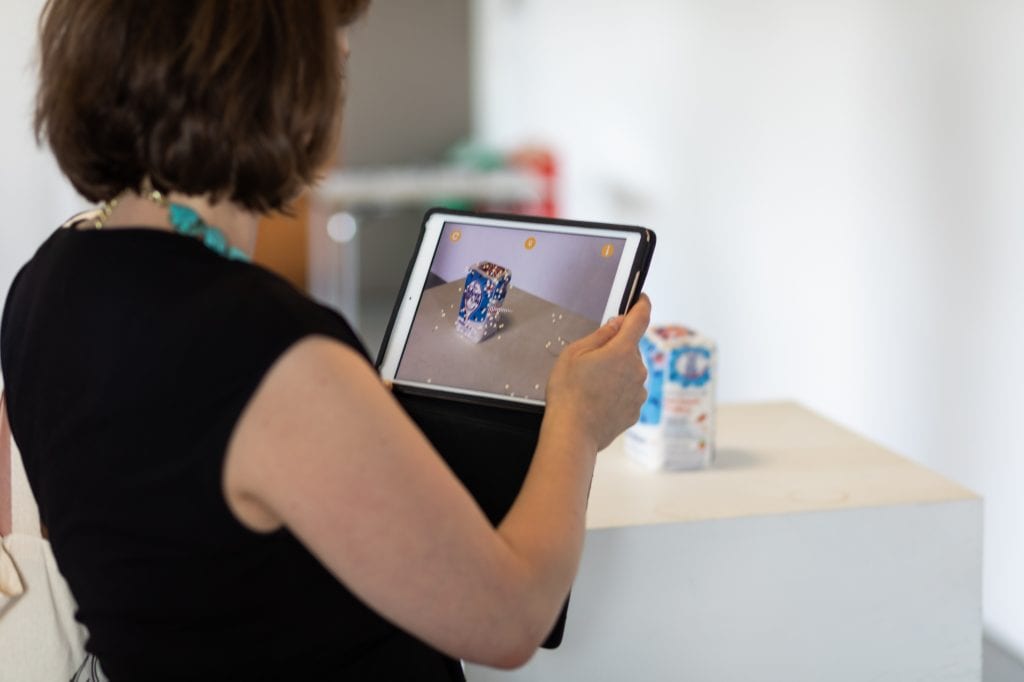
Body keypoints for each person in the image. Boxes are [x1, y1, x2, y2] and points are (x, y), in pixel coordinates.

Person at [0, 1, 651, 679]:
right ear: (262, 77)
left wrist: (357, 422)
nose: (342, 59)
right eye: (327, 39)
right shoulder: (268, 351)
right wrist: (577, 420)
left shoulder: (45, 283)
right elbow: (512, 618)